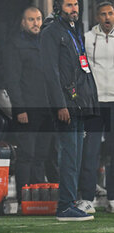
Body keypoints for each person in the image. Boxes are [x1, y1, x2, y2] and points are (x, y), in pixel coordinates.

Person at [40, 0, 99, 221]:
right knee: (68, 156)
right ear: (57, 7)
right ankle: (65, 206)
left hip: (79, 103)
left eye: (75, 4)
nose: (73, 8)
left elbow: (81, 68)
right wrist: (60, 105)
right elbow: (50, 72)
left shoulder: (73, 30)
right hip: (66, 105)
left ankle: (71, 202)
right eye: (68, 5)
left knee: (75, 157)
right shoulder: (51, 32)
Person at [4, 6, 54, 204]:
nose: (36, 23)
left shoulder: (46, 43)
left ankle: (38, 199)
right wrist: (20, 108)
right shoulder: (14, 45)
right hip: (27, 109)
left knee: (42, 155)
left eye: (39, 19)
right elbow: (12, 81)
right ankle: (24, 200)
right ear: (23, 22)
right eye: (31, 19)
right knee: (26, 154)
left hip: (47, 109)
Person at [78, 1, 114, 214]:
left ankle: (113, 198)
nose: (107, 17)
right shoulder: (87, 38)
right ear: (97, 17)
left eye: (110, 13)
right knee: (90, 153)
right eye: (103, 14)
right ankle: (88, 198)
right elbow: (82, 70)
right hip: (94, 103)